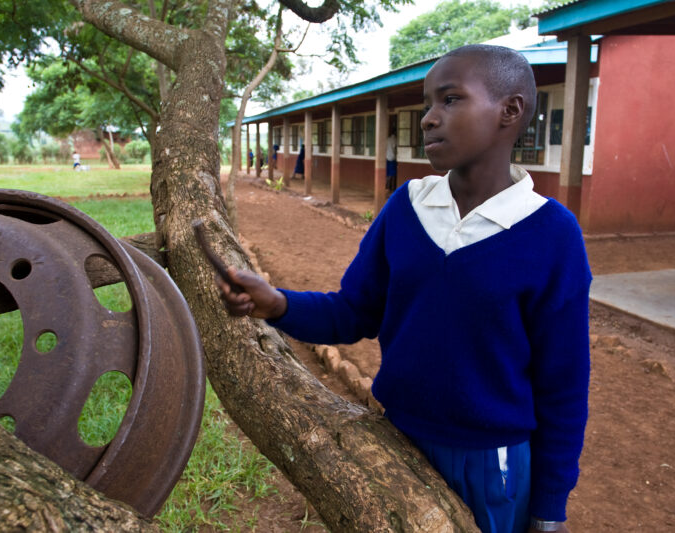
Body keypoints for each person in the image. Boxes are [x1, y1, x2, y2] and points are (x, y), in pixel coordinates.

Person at [216, 44, 591, 533]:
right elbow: (355, 311)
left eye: (450, 100)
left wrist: (549, 508)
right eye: (428, 103)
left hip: (492, 465)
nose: (428, 119)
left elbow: (564, 383)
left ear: (510, 110)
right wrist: (278, 303)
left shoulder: (552, 234)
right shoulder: (407, 208)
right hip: (395, 443)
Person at [386, 127, 398, 192]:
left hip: (387, 157)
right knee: (393, 174)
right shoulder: (395, 140)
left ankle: (387, 187)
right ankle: (392, 188)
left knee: (388, 174)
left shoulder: (387, 139)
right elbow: (395, 149)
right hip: (393, 158)